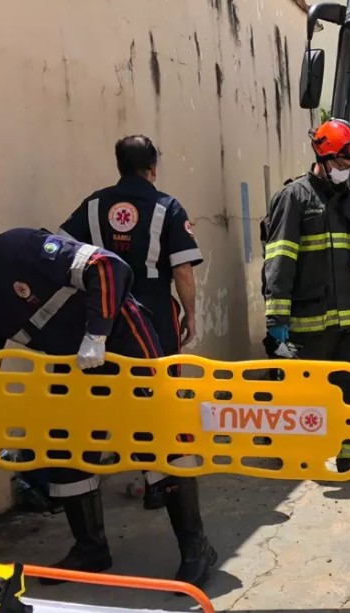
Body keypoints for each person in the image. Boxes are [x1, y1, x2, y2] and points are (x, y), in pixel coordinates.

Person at [0, 228, 217, 587]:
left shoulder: (17, 248)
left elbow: (108, 266)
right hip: (73, 365)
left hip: (122, 344)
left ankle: (195, 546)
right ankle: (91, 549)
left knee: (157, 439)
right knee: (64, 445)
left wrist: (96, 334)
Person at [59, 135, 204, 512]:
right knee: (157, 397)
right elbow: (183, 269)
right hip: (154, 312)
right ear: (153, 167)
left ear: (119, 165)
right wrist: (191, 312)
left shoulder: (93, 206)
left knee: (103, 397)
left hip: (103, 319)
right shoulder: (167, 207)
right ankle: (161, 480)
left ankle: (91, 482)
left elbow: (61, 251)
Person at [260, 118, 350, 484]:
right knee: (304, 396)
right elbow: (279, 258)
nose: (347, 170)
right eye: (342, 163)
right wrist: (276, 320)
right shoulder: (294, 198)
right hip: (309, 321)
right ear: (324, 155)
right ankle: (299, 456)